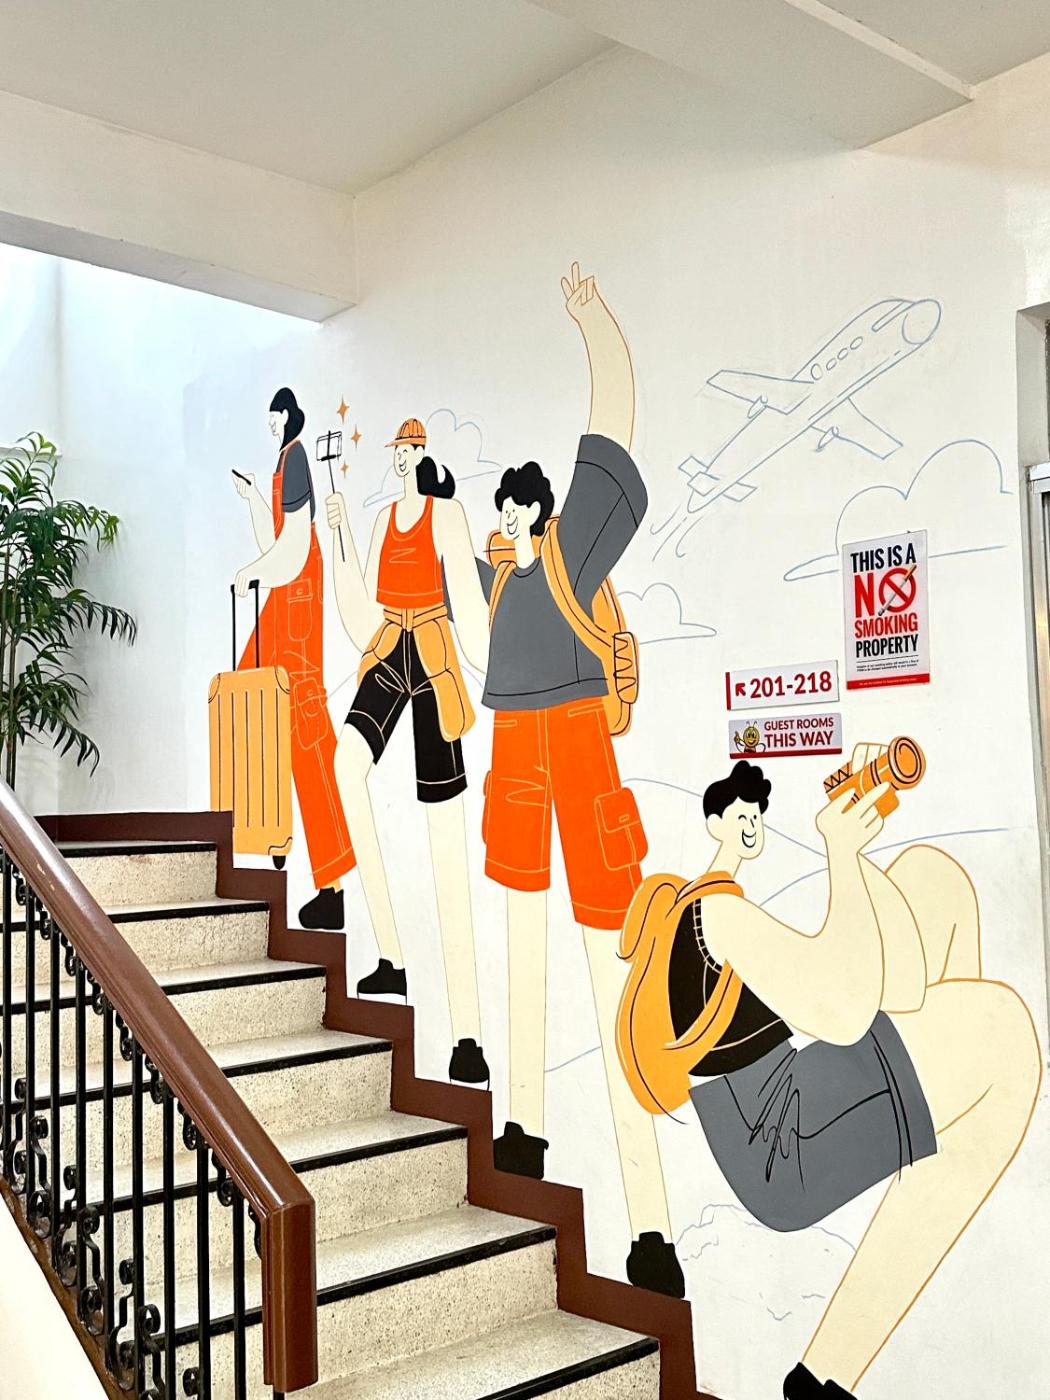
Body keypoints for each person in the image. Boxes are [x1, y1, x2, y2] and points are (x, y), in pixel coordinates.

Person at [648, 753, 1040, 1398]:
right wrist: (842, 853)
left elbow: (898, 989)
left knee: (933, 879)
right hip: (779, 1147)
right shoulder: (716, 916)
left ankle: (821, 1373)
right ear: (714, 823)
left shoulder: (719, 911)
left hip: (789, 1107)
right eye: (740, 814)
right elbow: (847, 1009)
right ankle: (830, 1371)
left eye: (757, 815)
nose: (751, 825)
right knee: (1006, 1039)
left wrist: (855, 852)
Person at [477, 263, 683, 1299]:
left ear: (543, 511)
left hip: (578, 747)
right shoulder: (493, 578)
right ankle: (521, 1126)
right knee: (523, 941)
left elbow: (614, 429)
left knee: (611, 960)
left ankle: (649, 1221)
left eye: (522, 507)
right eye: (503, 511)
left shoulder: (571, 555)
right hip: (516, 747)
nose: (510, 520)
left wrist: (594, 319)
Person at [325, 420, 491, 1086]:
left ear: (423, 456)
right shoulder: (380, 523)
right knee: (345, 766)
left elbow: (469, 607)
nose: (403, 459)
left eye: (411, 450)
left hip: (434, 657)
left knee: (444, 833)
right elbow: (361, 615)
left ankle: (467, 1034)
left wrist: (500, 675)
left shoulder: (447, 515)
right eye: (397, 450)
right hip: (390, 650)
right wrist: (339, 535)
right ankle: (391, 955)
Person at [232, 387, 355, 928]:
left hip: (296, 605)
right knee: (252, 701)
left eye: (273, 417)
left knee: (306, 736)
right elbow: (278, 538)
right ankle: (273, 827)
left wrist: (252, 573)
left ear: (286, 416)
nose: (270, 426)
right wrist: (254, 498)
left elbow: (295, 548)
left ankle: (330, 881)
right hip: (286, 600)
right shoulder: (285, 461)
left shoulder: (299, 456)